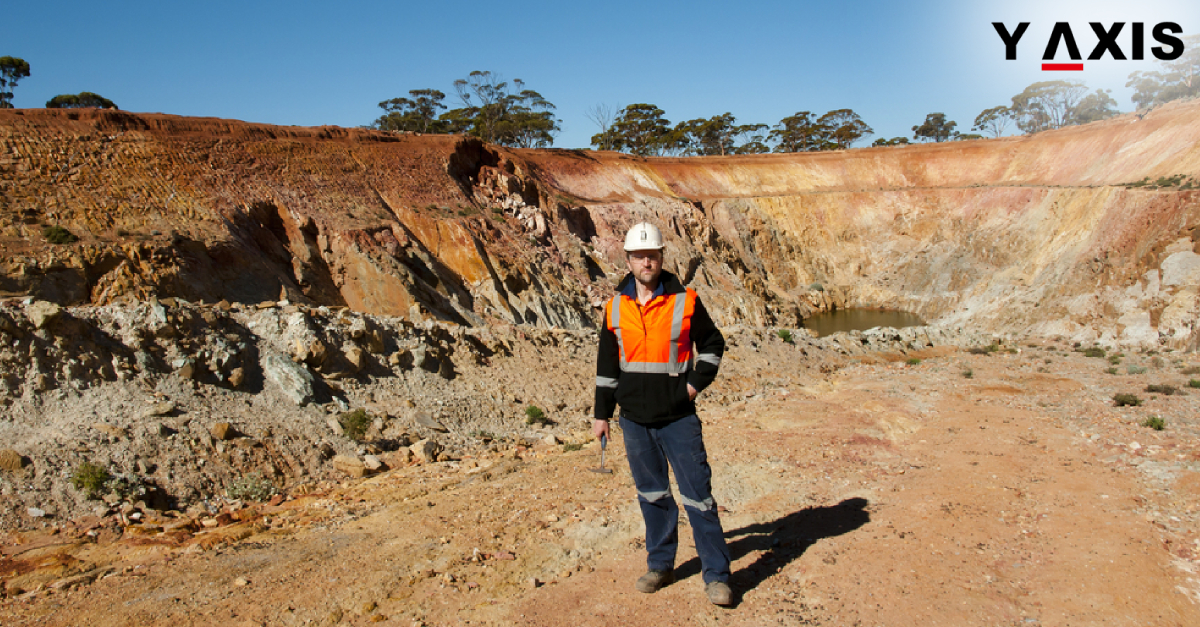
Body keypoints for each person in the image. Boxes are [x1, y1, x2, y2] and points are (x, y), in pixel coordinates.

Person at [593, 222, 733, 606]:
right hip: (634, 421)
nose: (646, 262)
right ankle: (661, 564)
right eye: (639, 256)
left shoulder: (686, 300)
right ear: (628, 260)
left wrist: (693, 385)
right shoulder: (615, 307)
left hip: (678, 419)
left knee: (698, 498)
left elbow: (712, 344)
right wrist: (601, 415)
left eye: (652, 255)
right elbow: (607, 367)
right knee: (652, 496)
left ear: (661, 257)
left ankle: (717, 576)